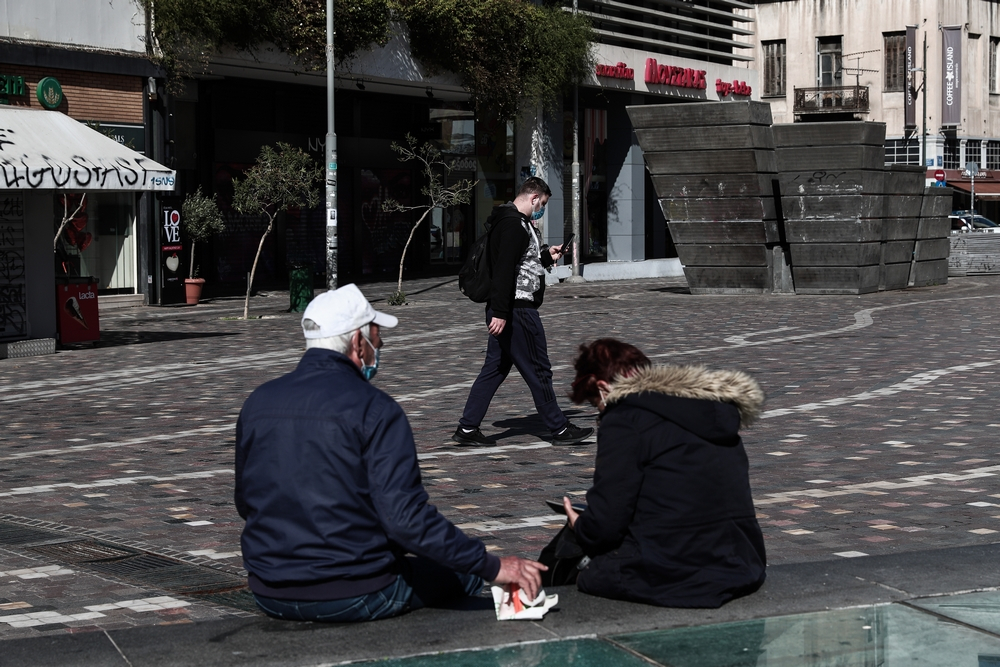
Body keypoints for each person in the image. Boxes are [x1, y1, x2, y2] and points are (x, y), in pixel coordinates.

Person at [235, 284, 546, 622]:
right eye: (376, 334)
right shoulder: (376, 410)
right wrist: (493, 565)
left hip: (268, 589)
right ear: (358, 342)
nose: (380, 344)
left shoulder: (257, 403)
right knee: (465, 574)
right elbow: (406, 520)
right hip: (355, 591)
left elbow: (245, 501)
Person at [559, 338, 767, 608]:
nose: (599, 413)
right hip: (744, 563)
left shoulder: (625, 419)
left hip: (676, 572)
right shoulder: (708, 410)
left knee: (572, 567)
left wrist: (580, 524)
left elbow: (606, 524)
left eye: (594, 403)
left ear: (603, 387)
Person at [453, 177, 594, 446]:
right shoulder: (514, 226)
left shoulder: (509, 223)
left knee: (494, 369)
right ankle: (559, 428)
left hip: (507, 307)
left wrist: (544, 257)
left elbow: (517, 263)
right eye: (542, 204)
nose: (541, 209)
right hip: (517, 310)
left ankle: (468, 428)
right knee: (539, 369)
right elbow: (504, 271)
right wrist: (502, 313)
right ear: (533, 198)